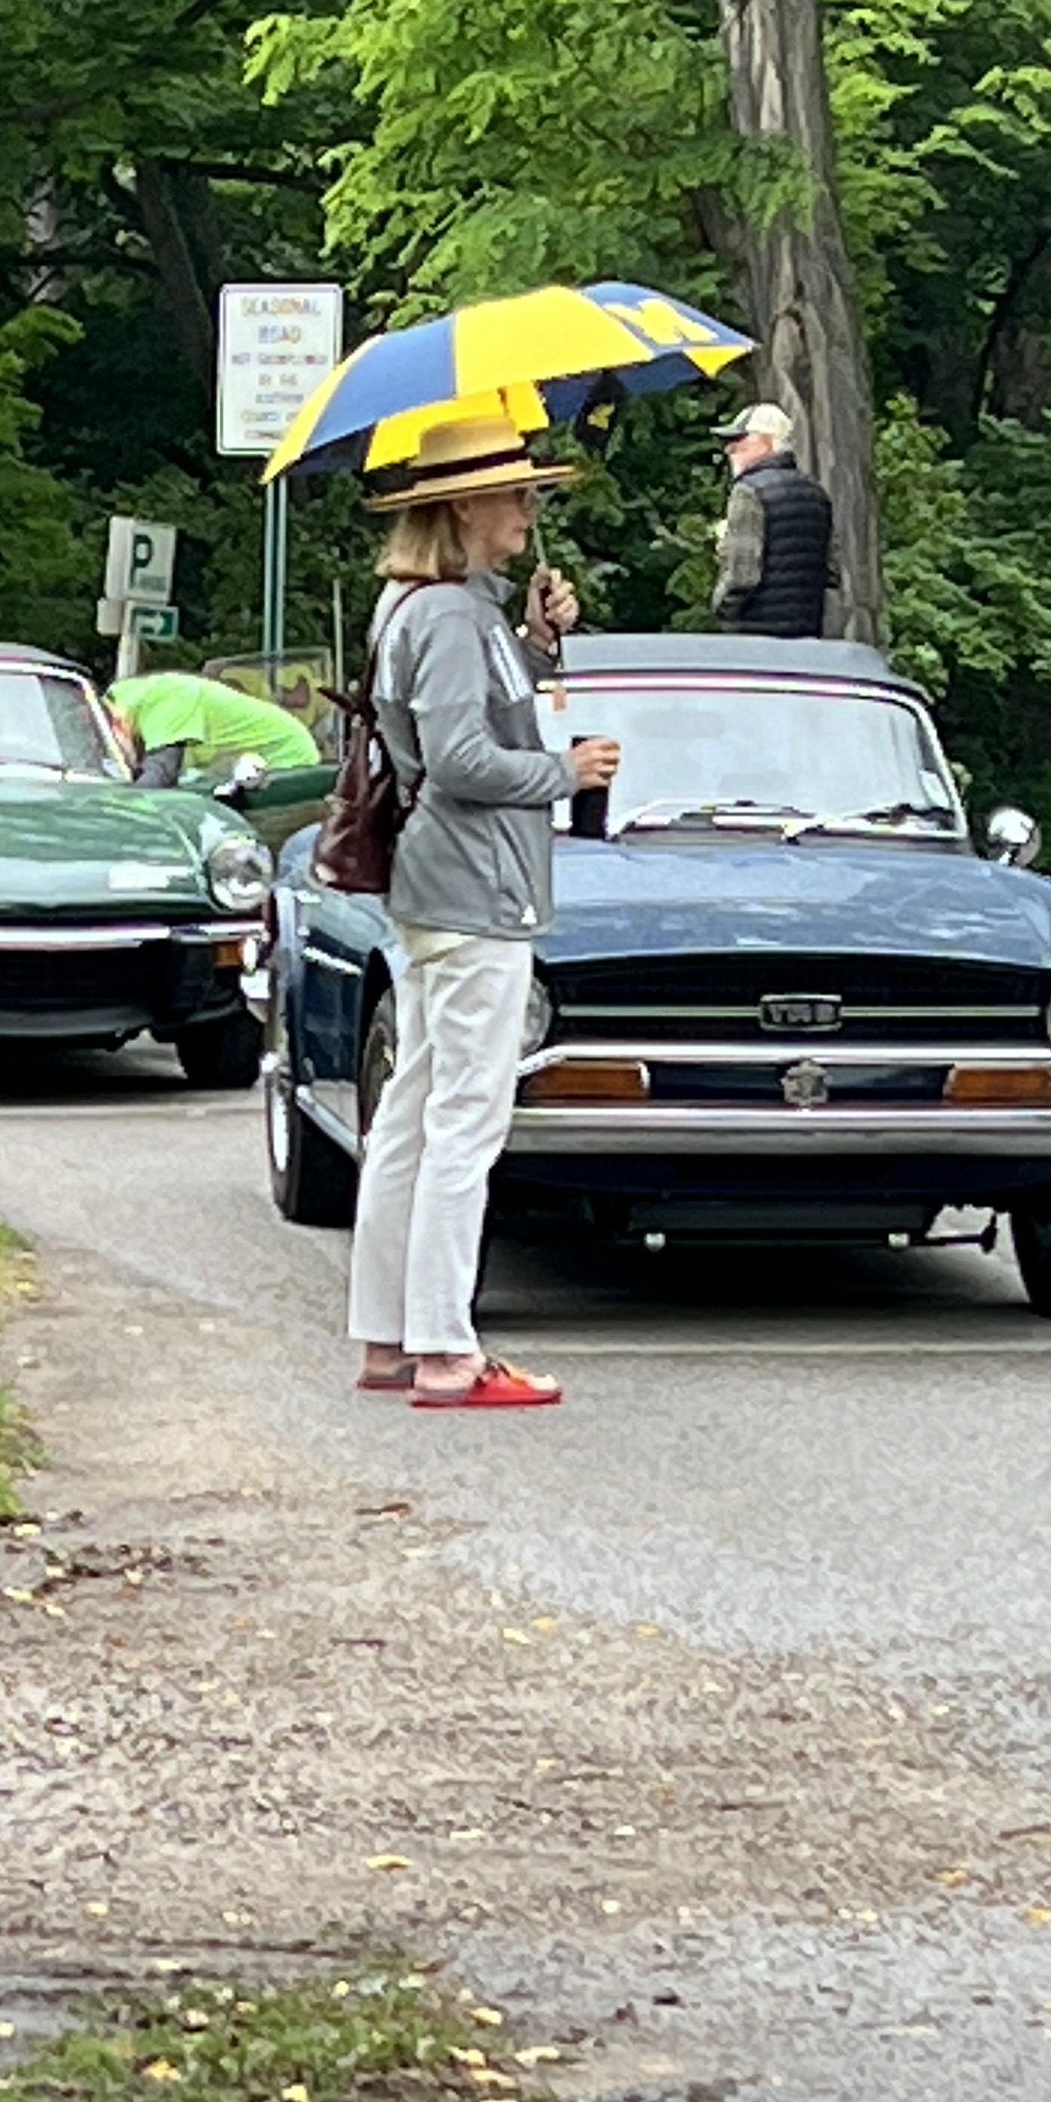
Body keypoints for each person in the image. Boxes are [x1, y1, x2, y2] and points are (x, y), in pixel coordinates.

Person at [348, 415, 617, 1412]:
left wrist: (538, 644)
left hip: (433, 891)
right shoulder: (452, 619)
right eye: (515, 494)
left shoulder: (423, 608)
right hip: (477, 892)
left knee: (413, 1112)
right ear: (463, 506)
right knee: (467, 1121)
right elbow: (461, 760)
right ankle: (447, 1349)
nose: (527, 512)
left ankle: (388, 1335)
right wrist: (565, 773)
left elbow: (472, 717)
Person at [710, 401, 830, 637]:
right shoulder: (816, 494)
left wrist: (721, 610)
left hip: (756, 632)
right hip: (807, 631)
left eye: (739, 439)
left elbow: (741, 577)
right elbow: (831, 570)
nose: (729, 450)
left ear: (765, 441)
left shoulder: (748, 492)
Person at [108, 668, 320, 781]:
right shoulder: (127, 705)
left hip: (286, 762)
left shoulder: (166, 696)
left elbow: (162, 772)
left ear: (117, 722)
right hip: (238, 767)